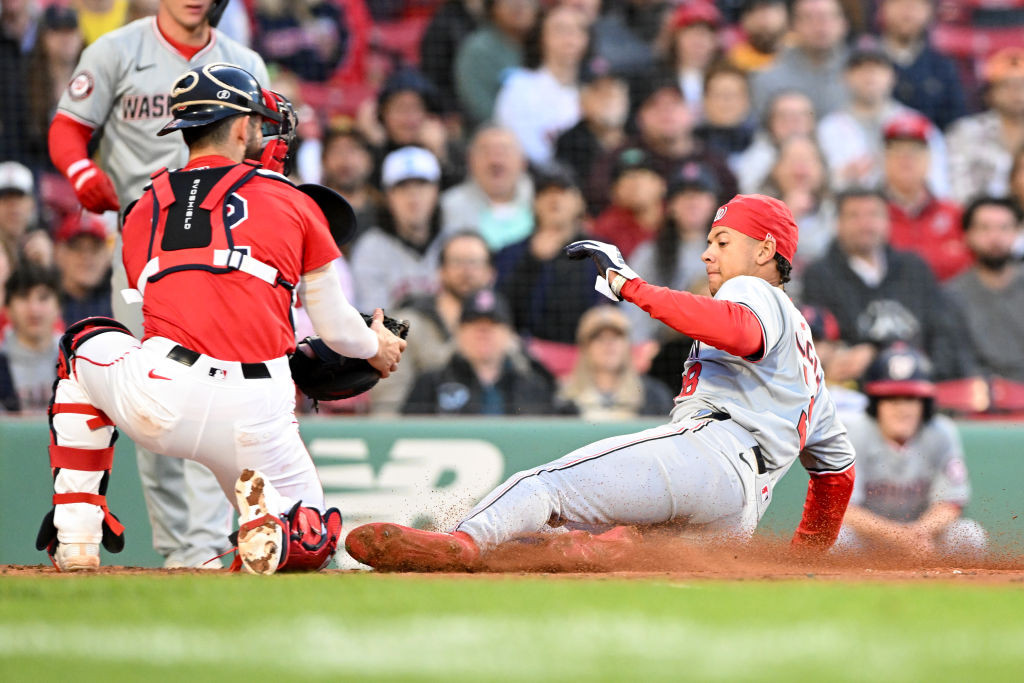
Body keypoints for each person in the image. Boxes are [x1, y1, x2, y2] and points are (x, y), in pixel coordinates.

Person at [345, 193, 856, 571]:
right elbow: (837, 476)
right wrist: (799, 564)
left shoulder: (754, 290)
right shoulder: (810, 364)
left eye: (722, 241)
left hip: (710, 451)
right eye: (707, 243)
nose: (708, 254)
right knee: (618, 552)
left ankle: (465, 541)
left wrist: (629, 286)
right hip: (741, 510)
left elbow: (740, 331)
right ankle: (561, 553)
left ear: (766, 250)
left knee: (544, 485)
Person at [34, 63, 406, 574]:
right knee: (314, 537)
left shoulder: (142, 210)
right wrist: (377, 346)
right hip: (256, 410)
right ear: (239, 128)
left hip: (161, 394)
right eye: (255, 120)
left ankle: (76, 535)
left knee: (80, 343)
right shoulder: (292, 201)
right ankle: (277, 526)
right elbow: (338, 328)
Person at [46, 0, 269, 570]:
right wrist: (81, 171)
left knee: (216, 392)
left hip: (225, 256)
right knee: (156, 396)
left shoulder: (243, 60)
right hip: (145, 251)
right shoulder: (118, 50)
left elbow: (264, 155)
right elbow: (67, 129)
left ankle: (210, 543)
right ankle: (186, 549)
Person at [801, 188, 975, 381]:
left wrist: (934, 374)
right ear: (837, 224)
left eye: (874, 215)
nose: (865, 224)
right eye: (854, 216)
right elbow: (823, 339)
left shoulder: (914, 267)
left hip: (923, 384)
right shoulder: (819, 274)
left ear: (887, 222)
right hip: (858, 390)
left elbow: (942, 330)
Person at [837, 345, 987, 559]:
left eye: (910, 399)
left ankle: (943, 590)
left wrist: (918, 534)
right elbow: (843, 510)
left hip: (923, 540)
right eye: (891, 399)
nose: (902, 408)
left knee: (969, 535)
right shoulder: (853, 431)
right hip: (869, 539)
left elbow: (950, 503)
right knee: (836, 537)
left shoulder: (941, 432)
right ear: (876, 404)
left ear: (923, 404)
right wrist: (898, 536)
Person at [369, 231, 496, 415]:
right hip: (419, 434)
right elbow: (387, 403)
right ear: (440, 271)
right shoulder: (406, 326)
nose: (467, 271)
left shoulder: (499, 327)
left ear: (491, 273)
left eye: (475, 263)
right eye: (457, 262)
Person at [816, 47, 949, 196]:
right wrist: (841, 178)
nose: (869, 75)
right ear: (845, 77)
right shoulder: (828, 127)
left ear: (893, 76)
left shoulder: (919, 124)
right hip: (848, 209)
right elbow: (818, 185)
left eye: (878, 67)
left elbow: (939, 183)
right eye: (860, 68)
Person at [402, 288, 555, 416]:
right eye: (474, 325)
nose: (483, 333)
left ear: (509, 334)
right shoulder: (430, 383)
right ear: (459, 333)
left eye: (492, 325)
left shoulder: (533, 386)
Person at [495, 166, 601, 345]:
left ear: (579, 201)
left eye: (562, 191)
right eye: (545, 192)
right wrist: (532, 261)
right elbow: (501, 309)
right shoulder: (510, 253)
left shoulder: (602, 253)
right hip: (526, 353)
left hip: (587, 352)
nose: (554, 199)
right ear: (534, 203)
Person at [349, 146, 445, 312]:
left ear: (436, 191)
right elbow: (373, 319)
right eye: (403, 187)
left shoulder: (454, 242)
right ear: (388, 196)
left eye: (421, 185)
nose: (413, 196)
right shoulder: (371, 248)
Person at [493, 3, 589, 165]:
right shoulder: (520, 86)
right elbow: (519, 147)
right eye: (560, 29)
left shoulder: (594, 91)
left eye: (578, 29)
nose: (570, 37)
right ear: (542, 37)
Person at [882, 113, 970, 282]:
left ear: (929, 159)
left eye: (914, 151)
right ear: (885, 159)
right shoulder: (871, 214)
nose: (906, 160)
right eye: (897, 151)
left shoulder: (955, 214)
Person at [945, 197, 1024, 384]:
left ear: (1018, 232)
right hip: (976, 397)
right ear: (967, 235)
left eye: (1004, 228)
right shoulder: (951, 295)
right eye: (984, 228)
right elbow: (956, 359)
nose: (995, 237)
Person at [559, 305, 674, 420]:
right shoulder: (564, 399)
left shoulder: (654, 396)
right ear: (585, 348)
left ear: (628, 345)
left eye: (616, 336)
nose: (608, 344)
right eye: (598, 337)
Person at [947, 48, 1024, 204]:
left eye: (1021, 85)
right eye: (1006, 85)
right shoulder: (965, 132)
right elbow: (955, 187)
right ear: (989, 93)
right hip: (979, 220)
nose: (1016, 93)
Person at [440, 124, 534, 251]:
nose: (495, 161)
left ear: (523, 162)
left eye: (504, 151)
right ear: (469, 160)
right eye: (486, 152)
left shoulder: (540, 199)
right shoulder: (449, 206)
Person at [751, 0, 849, 118]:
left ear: (844, 24)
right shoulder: (768, 81)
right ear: (792, 26)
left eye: (827, 16)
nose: (819, 25)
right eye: (808, 18)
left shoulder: (863, 71)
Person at [879, 0, 967, 131]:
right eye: (898, 3)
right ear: (883, 9)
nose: (907, 11)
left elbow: (956, 123)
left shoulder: (943, 66)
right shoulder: (862, 60)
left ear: (930, 12)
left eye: (916, 5)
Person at [454, 0, 538, 126]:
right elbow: (480, 106)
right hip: (498, 133)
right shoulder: (479, 49)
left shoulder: (545, 43)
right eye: (510, 2)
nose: (519, 6)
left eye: (527, 2)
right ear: (493, 7)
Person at [554, 57, 630, 193]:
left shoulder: (640, 137)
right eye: (599, 92)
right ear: (581, 102)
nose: (610, 97)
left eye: (615, 89)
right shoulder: (569, 144)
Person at [1, 263, 61, 412]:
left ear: (59, 307)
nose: (34, 309)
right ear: (8, 309)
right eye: (23, 297)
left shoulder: (77, 362)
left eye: (43, 298)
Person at [734, 89, 816, 194]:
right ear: (770, 122)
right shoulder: (755, 160)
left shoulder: (824, 150)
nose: (792, 124)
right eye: (784, 117)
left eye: (800, 117)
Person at [590, 147, 666, 259]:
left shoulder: (678, 214)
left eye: (642, 174)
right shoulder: (607, 227)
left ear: (662, 184)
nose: (635, 183)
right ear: (614, 192)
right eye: (625, 177)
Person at [656, 1, 721, 116]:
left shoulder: (725, 78)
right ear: (676, 38)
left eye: (705, 33)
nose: (698, 41)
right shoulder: (657, 80)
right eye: (690, 32)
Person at [319, 127, 381, 242]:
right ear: (324, 161)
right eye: (336, 150)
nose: (344, 158)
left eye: (352, 150)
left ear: (369, 160)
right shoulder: (314, 212)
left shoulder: (385, 211)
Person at [53, 212, 113, 327]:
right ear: (58, 253)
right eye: (77, 247)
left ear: (106, 256)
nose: (86, 256)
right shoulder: (42, 303)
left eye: (94, 248)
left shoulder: (123, 304)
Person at [728, 0, 788, 73]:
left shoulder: (797, 47)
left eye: (771, 9)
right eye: (757, 10)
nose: (766, 17)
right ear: (745, 20)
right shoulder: (736, 60)